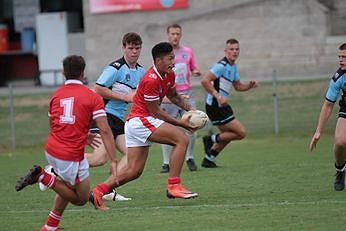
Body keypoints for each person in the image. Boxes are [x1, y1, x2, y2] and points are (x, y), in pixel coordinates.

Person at [89, 42, 198, 211]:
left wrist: (190, 109)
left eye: (173, 57)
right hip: (141, 120)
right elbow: (156, 112)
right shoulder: (150, 79)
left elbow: (174, 96)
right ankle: (174, 186)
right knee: (181, 139)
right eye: (170, 58)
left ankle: (98, 191)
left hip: (138, 123)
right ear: (158, 60)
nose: (173, 61)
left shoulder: (169, 74)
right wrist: (180, 123)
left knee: (134, 171)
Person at [15, 55, 117, 230]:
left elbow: (55, 126)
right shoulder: (92, 97)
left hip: (52, 149)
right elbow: (105, 130)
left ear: (63, 73)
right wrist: (114, 160)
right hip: (70, 156)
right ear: (83, 73)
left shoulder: (56, 95)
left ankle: (50, 227)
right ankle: (43, 176)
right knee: (81, 198)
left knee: (68, 187)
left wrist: (83, 137)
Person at [85, 32, 145, 201]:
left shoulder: (141, 71)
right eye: (130, 48)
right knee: (100, 158)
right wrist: (125, 97)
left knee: (132, 155)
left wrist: (178, 101)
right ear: (123, 47)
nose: (134, 51)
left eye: (137, 48)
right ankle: (58, 165)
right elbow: (98, 88)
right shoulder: (115, 68)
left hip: (118, 121)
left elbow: (149, 94)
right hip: (103, 116)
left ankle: (107, 189)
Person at [200, 38, 258, 168]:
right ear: (226, 51)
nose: (235, 52)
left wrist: (249, 85)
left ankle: (209, 159)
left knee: (227, 135)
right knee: (241, 132)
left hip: (222, 106)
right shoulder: (221, 66)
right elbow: (205, 81)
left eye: (237, 49)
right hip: (215, 106)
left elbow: (238, 86)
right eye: (231, 49)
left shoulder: (233, 67)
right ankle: (210, 140)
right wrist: (217, 96)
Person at [160, 23, 201, 173]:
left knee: (193, 124)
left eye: (178, 34)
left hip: (187, 94)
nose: (175, 36)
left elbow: (193, 67)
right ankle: (166, 162)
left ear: (180, 35)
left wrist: (196, 71)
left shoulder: (187, 52)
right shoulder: (162, 54)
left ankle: (189, 157)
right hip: (169, 96)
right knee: (167, 128)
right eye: (172, 34)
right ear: (168, 35)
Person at [309, 43, 346, 191]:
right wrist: (318, 131)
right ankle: (340, 170)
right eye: (339, 57)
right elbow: (328, 105)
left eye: (344, 57)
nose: (341, 60)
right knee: (340, 142)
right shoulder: (339, 77)